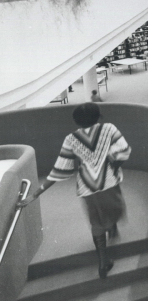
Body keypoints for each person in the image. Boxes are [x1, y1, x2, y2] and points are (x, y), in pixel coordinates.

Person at [17, 103, 131, 279]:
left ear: (77, 121)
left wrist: (36, 193)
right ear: (98, 116)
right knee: (116, 208)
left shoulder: (71, 139)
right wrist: (112, 164)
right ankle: (112, 227)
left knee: (96, 222)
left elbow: (60, 169)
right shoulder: (108, 128)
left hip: (87, 187)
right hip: (109, 182)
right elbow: (123, 151)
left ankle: (103, 263)